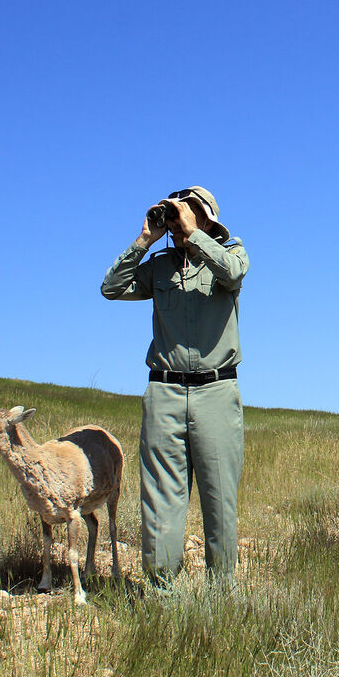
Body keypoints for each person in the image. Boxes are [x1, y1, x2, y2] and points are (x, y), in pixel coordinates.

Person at [101, 186, 248, 583]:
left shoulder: (231, 253)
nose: (179, 219)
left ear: (207, 219)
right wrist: (145, 239)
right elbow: (111, 288)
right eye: (175, 213)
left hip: (217, 392)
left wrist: (195, 234)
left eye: (189, 211)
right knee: (161, 501)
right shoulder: (160, 266)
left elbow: (233, 275)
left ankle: (222, 600)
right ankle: (165, 599)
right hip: (164, 391)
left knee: (219, 502)